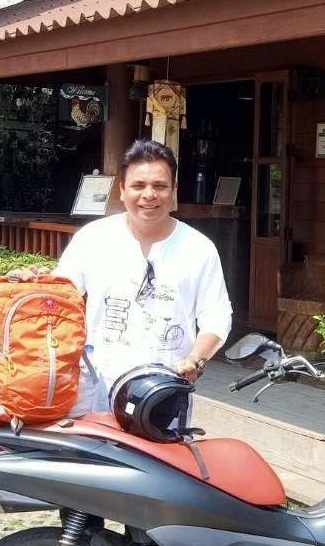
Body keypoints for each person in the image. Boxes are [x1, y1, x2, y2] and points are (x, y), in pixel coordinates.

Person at [25, 139, 232, 412]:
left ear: (173, 192)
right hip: (94, 388)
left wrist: (195, 359)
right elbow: (61, 294)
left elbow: (217, 317)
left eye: (160, 186)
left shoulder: (199, 249)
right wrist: (34, 283)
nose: (149, 195)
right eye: (138, 186)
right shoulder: (93, 238)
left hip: (163, 392)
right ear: (121, 190)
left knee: (159, 456)